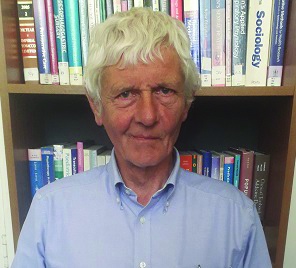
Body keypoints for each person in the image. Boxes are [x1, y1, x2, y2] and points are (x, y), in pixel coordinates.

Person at [12, 7, 272, 268]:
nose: (147, 116)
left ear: (186, 103)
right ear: (97, 107)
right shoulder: (49, 212)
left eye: (164, 90)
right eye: (126, 94)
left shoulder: (238, 218)